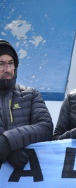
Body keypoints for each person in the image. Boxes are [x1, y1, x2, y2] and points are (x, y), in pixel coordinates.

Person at [0, 39, 53, 169]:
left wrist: (8, 141)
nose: (7, 69)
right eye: (1, 64)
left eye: (10, 63)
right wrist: (8, 154)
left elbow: (45, 128)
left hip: (26, 184)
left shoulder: (30, 94)